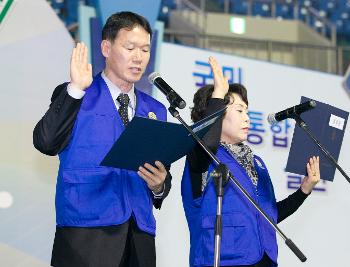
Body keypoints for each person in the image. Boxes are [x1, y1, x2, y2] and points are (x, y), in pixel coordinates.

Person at [33, 11, 172, 267]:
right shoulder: (76, 96)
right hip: (85, 232)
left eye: (145, 49)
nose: (139, 57)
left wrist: (159, 186)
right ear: (106, 47)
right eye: (130, 47)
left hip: (139, 235)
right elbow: (46, 142)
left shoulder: (156, 110)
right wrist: (75, 89)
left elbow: (162, 170)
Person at [181, 57, 321, 267]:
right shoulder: (201, 155)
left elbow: (268, 216)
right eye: (239, 110)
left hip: (263, 260)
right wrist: (218, 94)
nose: (247, 117)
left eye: (247, 110)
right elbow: (206, 142)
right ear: (217, 114)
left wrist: (304, 190)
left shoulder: (257, 163)